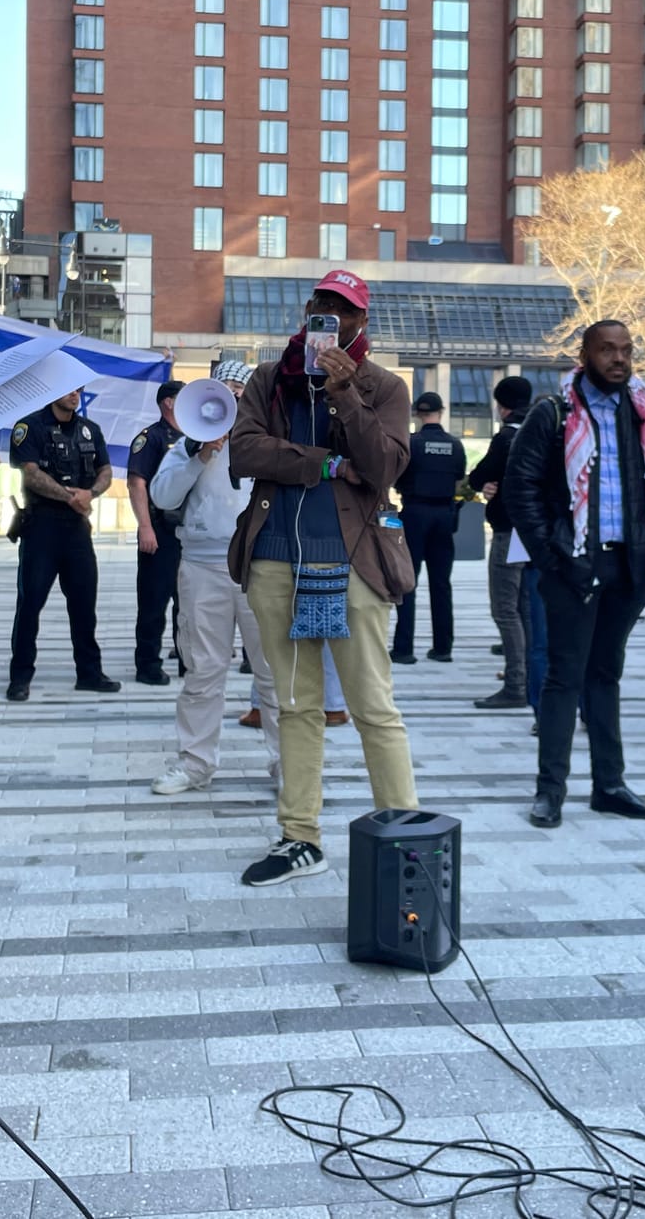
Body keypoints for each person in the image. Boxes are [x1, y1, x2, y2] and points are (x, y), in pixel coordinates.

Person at [228, 269, 419, 885]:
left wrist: (345, 395)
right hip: (277, 557)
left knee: (371, 704)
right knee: (293, 704)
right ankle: (299, 836)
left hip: (353, 559)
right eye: (324, 308)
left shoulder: (383, 386)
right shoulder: (269, 379)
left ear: (363, 323)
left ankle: (403, 831)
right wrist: (328, 463)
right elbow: (244, 451)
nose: (333, 320)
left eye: (347, 312)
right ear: (309, 309)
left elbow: (385, 466)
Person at [508, 320, 645, 829]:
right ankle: (550, 792)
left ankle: (609, 785)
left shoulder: (644, 412)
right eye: (608, 350)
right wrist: (553, 556)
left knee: (606, 675)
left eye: (627, 350)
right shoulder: (553, 413)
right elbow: (522, 491)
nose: (619, 359)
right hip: (572, 565)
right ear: (584, 354)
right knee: (565, 677)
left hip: (628, 563)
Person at [147, 361, 280, 793]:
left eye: (239, 391)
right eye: (223, 391)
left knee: (274, 671)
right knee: (202, 670)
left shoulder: (267, 437)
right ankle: (195, 763)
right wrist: (199, 453)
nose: (231, 400)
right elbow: (162, 495)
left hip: (261, 564)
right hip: (204, 564)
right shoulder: (185, 446)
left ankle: (289, 764)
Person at [7, 389, 119, 702]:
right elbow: (31, 474)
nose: (75, 395)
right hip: (42, 524)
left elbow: (106, 470)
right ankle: (20, 677)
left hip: (77, 528)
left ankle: (90, 673)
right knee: (30, 604)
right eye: (69, 389)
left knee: (85, 603)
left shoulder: (89, 429)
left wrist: (92, 493)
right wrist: (72, 497)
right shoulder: (30, 427)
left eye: (79, 390)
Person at [469, 374, 534, 709]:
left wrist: (490, 484)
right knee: (525, 608)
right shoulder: (542, 431)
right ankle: (529, 677)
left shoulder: (507, 437)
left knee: (505, 609)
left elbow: (477, 476)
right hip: (534, 533)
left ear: (502, 404)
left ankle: (516, 683)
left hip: (509, 531)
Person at [391, 390, 467, 665]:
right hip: (445, 516)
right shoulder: (455, 445)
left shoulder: (411, 444)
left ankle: (403, 649)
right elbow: (460, 478)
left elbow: (397, 477)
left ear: (417, 414)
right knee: (441, 584)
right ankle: (443, 647)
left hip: (414, 514)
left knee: (407, 582)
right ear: (441, 412)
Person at [128, 380, 185, 686]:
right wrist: (145, 528)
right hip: (160, 530)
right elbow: (137, 483)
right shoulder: (151, 438)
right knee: (153, 602)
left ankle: (186, 659)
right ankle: (148, 664)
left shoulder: (195, 435)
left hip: (188, 532)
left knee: (187, 602)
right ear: (168, 403)